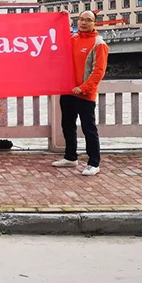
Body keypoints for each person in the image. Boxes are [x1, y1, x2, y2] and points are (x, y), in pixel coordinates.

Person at [52, 11, 109, 176]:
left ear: (94, 23)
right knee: (67, 125)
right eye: (81, 19)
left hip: (85, 94)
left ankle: (94, 163)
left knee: (88, 128)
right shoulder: (72, 39)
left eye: (88, 20)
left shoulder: (99, 44)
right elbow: (56, 39)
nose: (84, 23)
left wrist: (84, 88)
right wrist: (62, 18)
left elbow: (98, 72)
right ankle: (70, 157)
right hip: (68, 91)